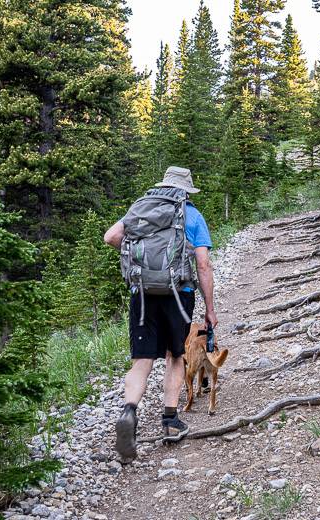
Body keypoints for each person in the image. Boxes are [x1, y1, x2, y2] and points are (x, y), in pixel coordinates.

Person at [103, 166, 218, 461]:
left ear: (163, 185)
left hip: (142, 294)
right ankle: (170, 421)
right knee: (175, 356)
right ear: (186, 190)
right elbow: (203, 264)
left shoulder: (141, 207)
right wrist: (210, 310)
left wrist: (143, 262)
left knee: (142, 360)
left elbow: (111, 236)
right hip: (178, 295)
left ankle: (130, 411)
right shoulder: (191, 214)